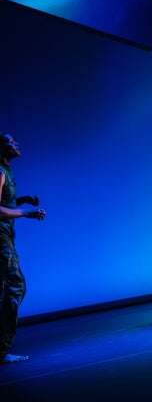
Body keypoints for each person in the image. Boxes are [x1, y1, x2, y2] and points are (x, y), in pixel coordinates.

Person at [0, 132, 46, 364]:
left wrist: (23, 199)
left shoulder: (6, 172)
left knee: (8, 289)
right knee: (15, 286)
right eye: (10, 141)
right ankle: (1, 349)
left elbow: (4, 203)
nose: (16, 143)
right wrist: (26, 213)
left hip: (6, 235)